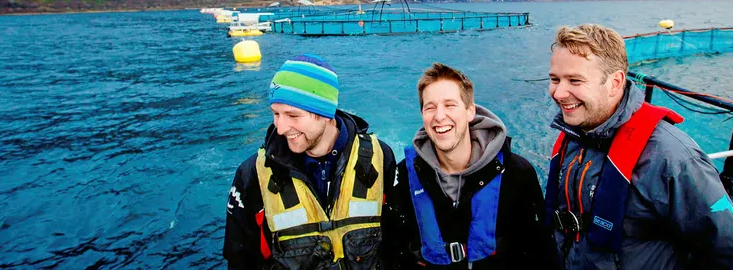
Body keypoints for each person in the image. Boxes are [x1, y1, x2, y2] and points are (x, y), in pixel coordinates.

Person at [544, 24, 733, 269]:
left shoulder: (672, 157)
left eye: (575, 80)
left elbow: (730, 251)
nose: (559, 93)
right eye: (554, 79)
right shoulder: (575, 137)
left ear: (615, 83)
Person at [223, 54, 398, 269]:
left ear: (325, 114)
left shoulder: (380, 158)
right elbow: (240, 260)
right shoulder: (253, 173)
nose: (280, 128)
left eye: (293, 116)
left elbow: (398, 245)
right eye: (276, 114)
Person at [395, 63, 556, 269]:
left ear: (470, 111)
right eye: (430, 107)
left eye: (450, 105)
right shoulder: (407, 175)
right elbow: (396, 247)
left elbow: (538, 251)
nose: (439, 116)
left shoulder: (516, 173)